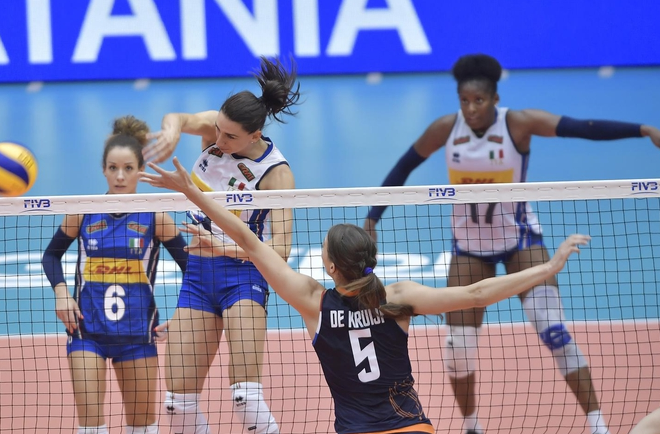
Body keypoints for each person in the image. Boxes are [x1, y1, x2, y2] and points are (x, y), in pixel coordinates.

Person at [138, 156, 591, 434]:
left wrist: (190, 193)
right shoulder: (399, 297)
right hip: (413, 428)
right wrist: (547, 268)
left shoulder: (314, 302)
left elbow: (249, 241)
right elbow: (476, 294)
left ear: (331, 267)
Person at [363, 53, 660, 434]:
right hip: (469, 249)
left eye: (479, 100)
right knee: (458, 349)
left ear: (495, 98)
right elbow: (403, 168)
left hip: (520, 243)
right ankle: (472, 426)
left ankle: (598, 425)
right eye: (464, 101)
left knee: (554, 332)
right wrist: (373, 217)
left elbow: (580, 127)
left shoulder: (518, 124)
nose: (471, 109)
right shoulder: (445, 129)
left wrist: (643, 129)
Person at [141, 57, 300, 434]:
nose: (219, 141)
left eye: (230, 137)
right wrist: (171, 132)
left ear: (255, 134)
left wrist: (224, 247)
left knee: (246, 399)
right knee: (176, 404)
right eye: (217, 130)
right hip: (198, 277)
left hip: (243, 278)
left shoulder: (276, 173)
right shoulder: (216, 129)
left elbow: (280, 250)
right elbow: (179, 117)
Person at [41, 116, 189, 434]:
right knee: (91, 428)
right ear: (103, 170)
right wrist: (61, 293)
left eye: (128, 168)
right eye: (113, 168)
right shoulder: (82, 211)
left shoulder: (156, 217)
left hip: (137, 337)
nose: (120, 176)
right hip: (86, 333)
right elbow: (51, 256)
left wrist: (184, 314)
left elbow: (195, 268)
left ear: (141, 170)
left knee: (142, 427)